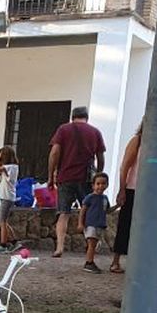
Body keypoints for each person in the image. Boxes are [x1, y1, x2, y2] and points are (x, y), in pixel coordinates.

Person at [47, 105, 105, 258]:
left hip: (65, 177)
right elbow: (101, 157)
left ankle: (59, 247)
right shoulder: (95, 132)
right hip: (86, 178)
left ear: (72, 116)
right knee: (88, 213)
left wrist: (50, 175)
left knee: (63, 213)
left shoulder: (63, 130)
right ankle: (90, 245)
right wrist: (98, 177)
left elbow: (54, 153)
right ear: (87, 117)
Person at [110, 123, 141, 274]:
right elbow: (125, 166)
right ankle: (116, 260)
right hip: (132, 189)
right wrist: (122, 189)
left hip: (150, 192)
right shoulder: (137, 141)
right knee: (125, 224)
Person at [81, 171, 111, 272]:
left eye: (103, 184)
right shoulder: (90, 198)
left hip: (99, 225)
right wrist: (80, 223)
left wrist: (118, 205)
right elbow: (83, 210)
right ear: (93, 185)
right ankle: (89, 262)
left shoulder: (105, 198)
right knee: (92, 243)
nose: (100, 186)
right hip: (91, 224)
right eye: (98, 184)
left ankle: (90, 261)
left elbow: (107, 210)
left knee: (94, 244)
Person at [0, 145, 19, 252]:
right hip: (6, 196)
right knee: (4, 221)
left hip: (6, 197)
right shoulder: (12, 167)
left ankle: (3, 245)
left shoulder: (10, 167)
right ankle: (14, 242)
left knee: (2, 221)